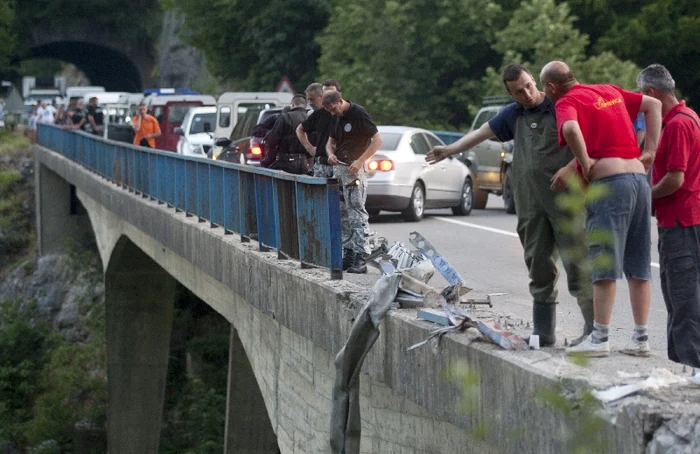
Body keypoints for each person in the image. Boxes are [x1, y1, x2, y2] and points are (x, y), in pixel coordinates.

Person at [426, 64, 594, 346]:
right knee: (538, 265)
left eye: (529, 86)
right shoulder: (513, 114)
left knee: (578, 265)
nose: (527, 94)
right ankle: (544, 333)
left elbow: (589, 143)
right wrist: (450, 149)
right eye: (519, 91)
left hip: (567, 202)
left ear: (534, 81)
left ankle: (594, 332)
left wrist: (572, 167)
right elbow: (482, 132)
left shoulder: (560, 105)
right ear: (510, 93)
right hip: (530, 204)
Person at [539, 61, 662, 358]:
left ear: (551, 88)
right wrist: (651, 151)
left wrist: (584, 161)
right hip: (638, 182)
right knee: (639, 264)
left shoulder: (567, 101)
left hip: (611, 186)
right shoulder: (607, 90)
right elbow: (654, 104)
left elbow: (570, 128)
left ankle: (601, 338)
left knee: (604, 262)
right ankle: (640, 338)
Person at [637, 64, 700, 367]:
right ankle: (683, 368)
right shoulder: (687, 118)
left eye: (642, 96)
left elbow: (675, 178)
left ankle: (688, 375)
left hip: (680, 222)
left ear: (651, 93)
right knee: (682, 302)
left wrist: (643, 198)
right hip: (683, 221)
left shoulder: (676, 125)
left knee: (683, 304)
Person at [323, 90, 383, 273]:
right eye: (330, 112)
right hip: (340, 168)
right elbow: (330, 142)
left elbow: (377, 140)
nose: (334, 114)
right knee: (344, 214)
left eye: (334, 109)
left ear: (340, 101)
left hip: (354, 169)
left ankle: (361, 256)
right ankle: (348, 254)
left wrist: (361, 160)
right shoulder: (335, 117)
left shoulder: (358, 114)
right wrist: (330, 154)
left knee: (357, 212)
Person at [296, 79, 341, 178]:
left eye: (332, 93)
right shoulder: (318, 114)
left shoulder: (348, 112)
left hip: (341, 163)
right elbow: (300, 129)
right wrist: (309, 148)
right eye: (326, 93)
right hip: (322, 163)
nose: (329, 97)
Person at [261, 95, 310, 174]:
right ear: (305, 105)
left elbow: (272, 140)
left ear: (292, 104)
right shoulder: (310, 118)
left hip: (285, 162)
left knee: (283, 185)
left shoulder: (285, 117)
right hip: (304, 162)